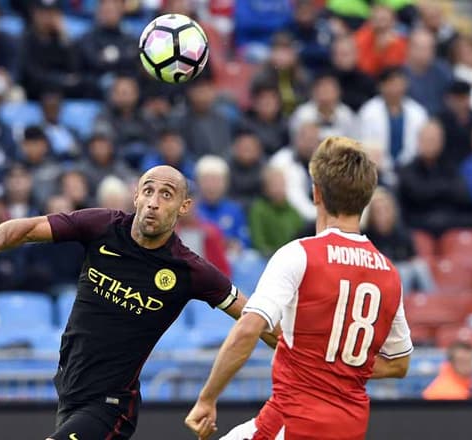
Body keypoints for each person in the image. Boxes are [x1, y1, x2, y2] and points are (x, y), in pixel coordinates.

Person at [0, 165, 279, 440]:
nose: (154, 203)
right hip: (70, 389)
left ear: (184, 207)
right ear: (136, 197)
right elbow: (31, 227)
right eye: (148, 191)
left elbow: (253, 317)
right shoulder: (103, 226)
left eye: (166, 195)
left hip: (111, 405)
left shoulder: (189, 269)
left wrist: (304, 357)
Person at [185, 136, 413, 440]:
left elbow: (248, 329)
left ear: (316, 193)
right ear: (366, 198)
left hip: (293, 422)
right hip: (350, 428)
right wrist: (339, 367)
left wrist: (207, 399)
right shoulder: (389, 273)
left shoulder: (300, 254)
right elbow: (399, 364)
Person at [364, 187, 435, 293]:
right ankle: (399, 302)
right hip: (379, 277)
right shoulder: (366, 236)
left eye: (386, 210)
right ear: (371, 215)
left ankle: (433, 301)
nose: (383, 216)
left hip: (402, 271)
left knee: (420, 266)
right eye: (378, 211)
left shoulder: (403, 234)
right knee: (401, 271)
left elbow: (412, 257)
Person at [358, 66, 428, 167]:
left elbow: (421, 146)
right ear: (381, 86)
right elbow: (364, 144)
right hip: (376, 168)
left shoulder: (418, 112)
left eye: (399, 84)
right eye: (391, 84)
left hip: (412, 170)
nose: (396, 88)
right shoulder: (368, 112)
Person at [195, 155, 252, 252]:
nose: (211, 186)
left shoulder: (234, 210)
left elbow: (244, 239)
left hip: (229, 258)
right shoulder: (191, 210)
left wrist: (237, 245)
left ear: (225, 183)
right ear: (198, 182)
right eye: (207, 180)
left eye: (216, 180)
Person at [249, 165, 304, 258]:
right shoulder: (259, 210)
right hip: (267, 258)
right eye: (274, 185)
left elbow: (301, 238)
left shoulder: (293, 211)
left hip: (293, 257)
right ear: (265, 188)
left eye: (281, 184)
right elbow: (258, 242)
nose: (279, 189)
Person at [290, 71, 358, 140]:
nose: (326, 94)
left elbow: (354, 142)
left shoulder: (346, 114)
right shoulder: (303, 114)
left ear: (338, 92)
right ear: (314, 92)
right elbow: (296, 142)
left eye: (329, 90)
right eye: (322, 89)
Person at [403, 28, 453, 115]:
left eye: (429, 48)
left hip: (438, 121)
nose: (424, 53)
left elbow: (451, 99)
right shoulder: (398, 74)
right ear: (409, 48)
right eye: (420, 48)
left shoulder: (443, 70)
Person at [354, 5, 407, 77]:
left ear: (393, 22)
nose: (381, 24)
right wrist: (378, 50)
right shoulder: (361, 38)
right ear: (370, 21)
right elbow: (364, 71)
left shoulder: (399, 42)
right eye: (377, 20)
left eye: (384, 20)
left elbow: (394, 71)